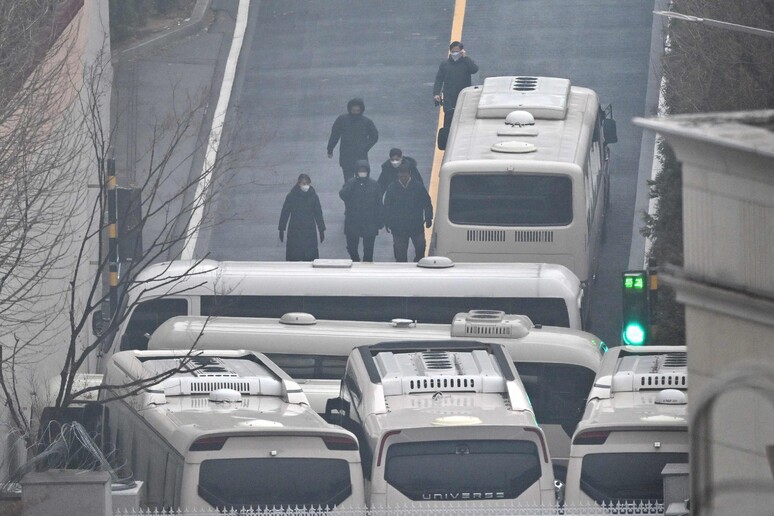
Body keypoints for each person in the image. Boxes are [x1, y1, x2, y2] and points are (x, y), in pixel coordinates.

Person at [383, 163, 433, 262]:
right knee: (400, 253)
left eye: (405, 176)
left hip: (416, 225)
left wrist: (428, 217)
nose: (403, 178)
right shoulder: (392, 188)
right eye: (401, 176)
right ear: (398, 175)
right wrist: (387, 222)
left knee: (420, 248)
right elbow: (387, 206)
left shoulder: (418, 187)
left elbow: (426, 202)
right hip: (398, 227)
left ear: (409, 174)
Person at [338, 160, 382, 262]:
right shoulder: (350, 183)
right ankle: (356, 260)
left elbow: (379, 204)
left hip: (369, 221)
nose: (362, 172)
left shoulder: (374, 185)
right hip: (353, 220)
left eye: (364, 170)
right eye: (360, 170)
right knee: (351, 247)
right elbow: (342, 195)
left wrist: (380, 221)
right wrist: (352, 184)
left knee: (369, 249)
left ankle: (367, 266)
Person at [327, 98, 379, 183]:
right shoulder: (342, 120)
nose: (355, 113)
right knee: (348, 181)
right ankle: (349, 195)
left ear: (361, 110)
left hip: (361, 156)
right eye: (353, 110)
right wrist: (330, 149)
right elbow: (335, 135)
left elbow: (374, 136)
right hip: (346, 155)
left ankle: (362, 195)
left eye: (357, 110)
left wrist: (365, 147)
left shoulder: (366, 122)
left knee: (363, 180)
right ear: (349, 109)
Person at [433, 41, 479, 133]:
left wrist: (466, 57)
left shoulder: (466, 63)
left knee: (463, 117)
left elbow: (474, 69)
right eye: (453, 51)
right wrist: (436, 93)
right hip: (449, 97)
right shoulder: (445, 64)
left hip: (463, 96)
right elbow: (439, 79)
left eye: (457, 51)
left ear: (462, 51)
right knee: (448, 119)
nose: (455, 53)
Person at [278, 174, 325, 261]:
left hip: (309, 229)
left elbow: (318, 213)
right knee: (295, 254)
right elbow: (285, 213)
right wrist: (281, 228)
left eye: (307, 183)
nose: (306, 185)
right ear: (299, 183)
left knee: (309, 254)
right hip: (295, 229)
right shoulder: (291, 196)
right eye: (304, 183)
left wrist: (321, 229)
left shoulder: (313, 197)